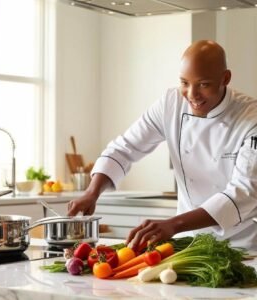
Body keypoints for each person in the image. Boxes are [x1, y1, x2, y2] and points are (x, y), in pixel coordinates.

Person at [68, 40, 257, 250]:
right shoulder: (171, 103)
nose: (192, 95)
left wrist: (173, 224)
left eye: (204, 84)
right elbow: (125, 147)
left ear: (225, 78)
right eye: (184, 83)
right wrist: (92, 192)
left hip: (243, 246)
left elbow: (243, 193)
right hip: (189, 243)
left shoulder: (251, 118)